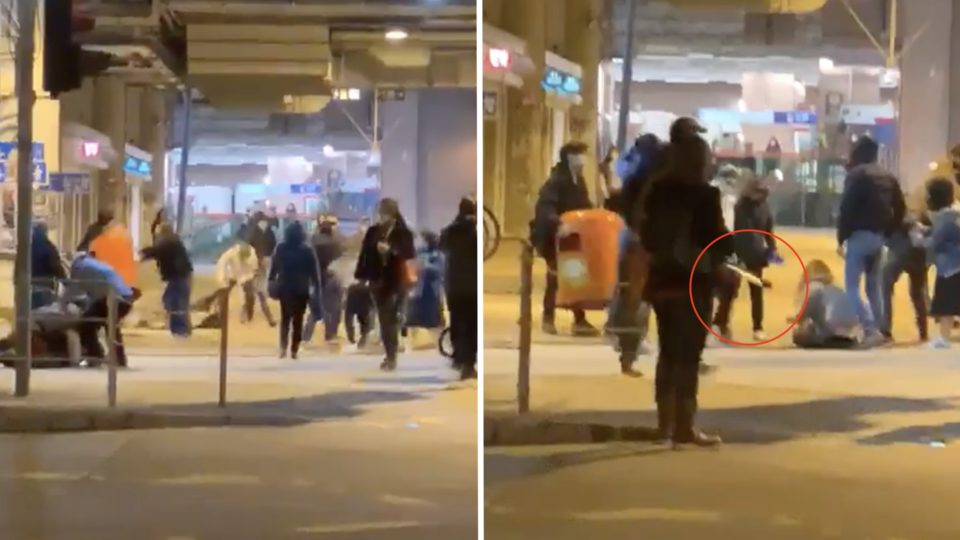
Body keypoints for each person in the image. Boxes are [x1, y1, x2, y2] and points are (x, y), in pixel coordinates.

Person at [640, 131, 732, 447]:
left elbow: (647, 236)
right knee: (689, 356)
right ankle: (684, 426)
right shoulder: (705, 195)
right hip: (694, 284)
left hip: (662, 282)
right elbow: (716, 240)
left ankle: (663, 425)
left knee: (667, 352)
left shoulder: (657, 191)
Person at [607, 134, 668, 375]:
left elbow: (619, 202)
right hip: (648, 242)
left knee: (630, 294)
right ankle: (629, 346)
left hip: (637, 239)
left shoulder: (636, 176)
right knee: (639, 298)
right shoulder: (660, 179)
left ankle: (627, 348)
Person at [837, 135, 905, 347]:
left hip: (859, 236)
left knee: (851, 287)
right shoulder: (888, 176)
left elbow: (846, 209)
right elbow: (901, 208)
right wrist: (888, 232)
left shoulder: (856, 175)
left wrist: (841, 238)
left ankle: (870, 329)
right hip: (879, 237)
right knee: (873, 287)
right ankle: (882, 331)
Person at [530, 141, 598, 337]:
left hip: (573, 236)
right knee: (555, 277)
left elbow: (584, 205)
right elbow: (545, 207)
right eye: (578, 154)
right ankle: (548, 318)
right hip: (555, 236)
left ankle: (579, 319)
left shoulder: (579, 180)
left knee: (575, 277)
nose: (582, 159)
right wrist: (558, 224)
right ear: (568, 157)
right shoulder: (557, 180)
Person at [354, 198, 416, 371]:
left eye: (384, 213)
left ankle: (392, 352)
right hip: (377, 281)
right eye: (380, 213)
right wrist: (360, 275)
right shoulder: (373, 231)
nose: (382, 216)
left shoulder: (403, 232)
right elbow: (364, 254)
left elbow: (409, 253)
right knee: (385, 318)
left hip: (397, 280)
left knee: (392, 318)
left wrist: (392, 251)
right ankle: (391, 355)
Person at [63, 253, 136, 367]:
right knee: (111, 328)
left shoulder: (78, 267)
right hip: (125, 297)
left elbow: (72, 292)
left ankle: (95, 357)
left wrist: (62, 304)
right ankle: (119, 359)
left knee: (86, 324)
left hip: (112, 298)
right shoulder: (94, 263)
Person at [732, 175, 779, 341]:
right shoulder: (741, 207)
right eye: (761, 192)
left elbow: (768, 230)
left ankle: (758, 326)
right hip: (738, 253)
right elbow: (741, 233)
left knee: (756, 291)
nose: (763, 196)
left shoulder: (764, 206)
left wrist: (772, 250)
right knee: (730, 290)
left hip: (756, 255)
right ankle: (720, 324)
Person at [267, 221, 321, 359]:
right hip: (301, 289)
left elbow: (274, 268)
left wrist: (271, 281)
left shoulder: (281, 248)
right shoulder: (307, 250)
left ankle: (283, 347)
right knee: (298, 320)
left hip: (285, 288)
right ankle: (294, 350)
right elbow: (314, 273)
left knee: (285, 318)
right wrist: (316, 287)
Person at [880, 203, 930, 343]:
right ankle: (923, 332)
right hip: (919, 253)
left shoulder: (885, 210)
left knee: (885, 285)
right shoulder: (918, 212)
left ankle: (885, 330)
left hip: (899, 250)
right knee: (917, 293)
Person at [441, 197, 478, 379]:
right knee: (472, 325)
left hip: (454, 286)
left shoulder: (450, 230)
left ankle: (459, 358)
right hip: (472, 286)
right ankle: (468, 364)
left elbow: (442, 245)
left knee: (458, 322)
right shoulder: (475, 231)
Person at [923, 178, 960, 349]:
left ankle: (944, 338)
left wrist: (918, 239)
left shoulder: (946, 218)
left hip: (949, 268)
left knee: (946, 304)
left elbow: (934, 242)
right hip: (955, 265)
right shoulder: (954, 215)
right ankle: (944, 337)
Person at [140, 224, 194, 337]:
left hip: (179, 277)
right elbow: (157, 251)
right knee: (175, 301)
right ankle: (181, 329)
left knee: (175, 302)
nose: (157, 236)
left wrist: (142, 254)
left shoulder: (169, 244)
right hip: (180, 277)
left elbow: (157, 251)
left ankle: (181, 330)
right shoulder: (173, 243)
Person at [791, 260, 860, 349]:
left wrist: (796, 319)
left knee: (799, 334)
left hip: (829, 335)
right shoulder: (837, 289)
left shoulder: (813, 287)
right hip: (850, 336)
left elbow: (805, 312)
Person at [709, 166, 743, 342]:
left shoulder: (729, 197)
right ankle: (716, 325)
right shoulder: (718, 193)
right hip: (715, 246)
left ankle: (719, 323)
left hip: (724, 245)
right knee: (717, 285)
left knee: (730, 283)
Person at [304, 214, 345, 346]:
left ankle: (306, 337)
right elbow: (340, 260)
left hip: (314, 278)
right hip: (330, 278)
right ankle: (330, 335)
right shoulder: (334, 244)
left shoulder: (312, 242)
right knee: (333, 308)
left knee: (315, 310)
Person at [405, 230, 445, 343]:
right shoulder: (418, 254)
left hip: (431, 292)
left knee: (434, 322)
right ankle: (409, 346)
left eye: (422, 240)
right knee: (412, 321)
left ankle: (440, 344)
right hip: (418, 291)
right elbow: (411, 268)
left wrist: (425, 266)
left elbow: (440, 271)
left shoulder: (438, 255)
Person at [243, 211, 277, 326]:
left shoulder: (252, 231)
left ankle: (248, 314)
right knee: (260, 288)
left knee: (250, 288)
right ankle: (267, 317)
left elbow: (248, 245)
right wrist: (268, 255)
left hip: (254, 260)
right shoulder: (269, 231)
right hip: (263, 260)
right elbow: (273, 244)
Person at [26, 222, 66, 308]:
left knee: (29, 315)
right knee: (43, 314)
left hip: (28, 287)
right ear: (45, 232)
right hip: (44, 287)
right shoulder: (49, 247)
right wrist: (66, 282)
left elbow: (19, 266)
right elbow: (56, 267)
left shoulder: (26, 247)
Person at [344, 280, 373, 348]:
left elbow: (348, 298)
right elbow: (371, 300)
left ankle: (352, 338)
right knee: (366, 326)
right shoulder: (367, 289)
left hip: (352, 306)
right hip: (364, 308)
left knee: (349, 323)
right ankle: (362, 341)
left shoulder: (352, 287)